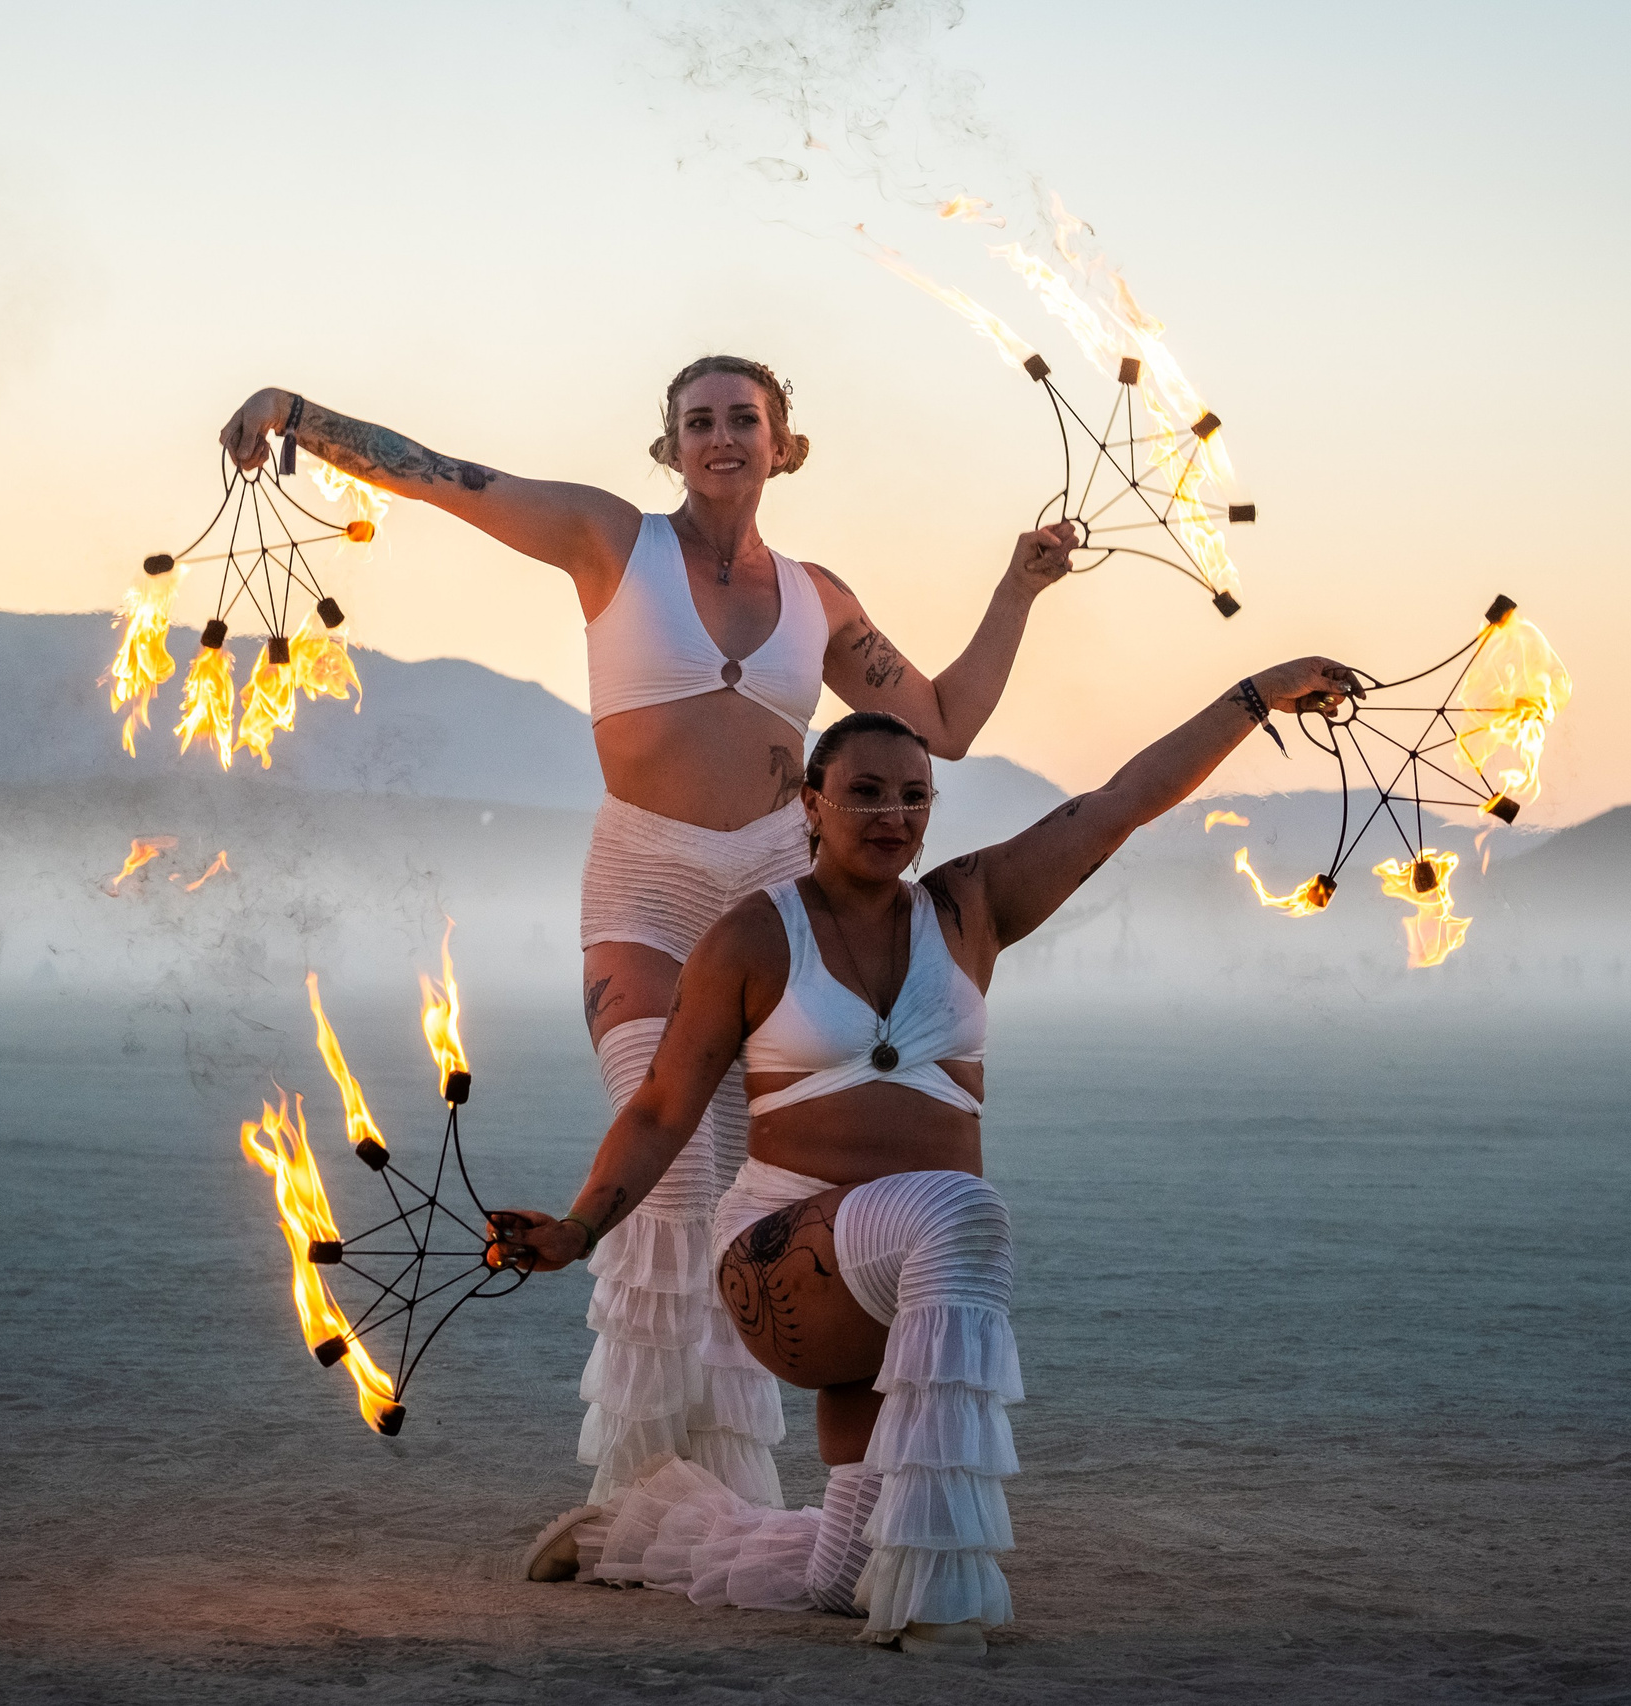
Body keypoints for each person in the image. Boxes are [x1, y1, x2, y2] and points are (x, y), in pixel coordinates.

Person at [222, 363, 1078, 1513]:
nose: (721, 437)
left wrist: (1018, 586)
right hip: (645, 882)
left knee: (737, 1196)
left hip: (773, 894)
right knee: (668, 1176)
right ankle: (633, 1497)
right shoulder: (609, 540)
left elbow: (947, 722)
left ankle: (721, 1488)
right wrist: (299, 417)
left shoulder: (818, 598)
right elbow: (446, 480)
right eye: (697, 422)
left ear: (783, 445)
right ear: (669, 446)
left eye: (744, 420)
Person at [492, 656, 1359, 1657]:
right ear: (809, 803)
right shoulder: (754, 936)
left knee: (845, 1568)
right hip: (785, 1258)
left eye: (914, 797)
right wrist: (579, 1227)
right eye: (864, 792)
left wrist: (1255, 695)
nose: (892, 815)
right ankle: (937, 1603)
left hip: (909, 1277)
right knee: (964, 1208)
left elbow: (1120, 802)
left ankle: (640, 1531)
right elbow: (658, 1108)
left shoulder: (968, 910)